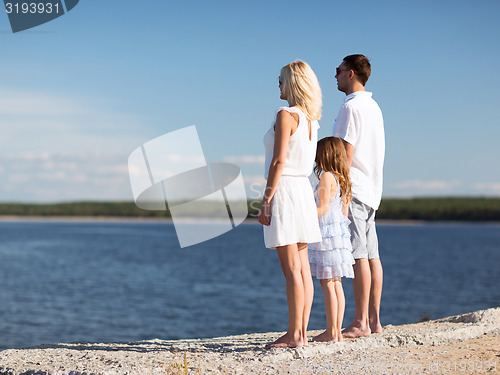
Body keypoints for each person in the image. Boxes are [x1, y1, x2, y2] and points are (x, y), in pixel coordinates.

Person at [258, 60, 322, 348]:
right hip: (303, 191)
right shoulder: (312, 121)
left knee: (291, 270)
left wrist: (267, 198)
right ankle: (302, 332)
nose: (279, 86)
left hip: (285, 191)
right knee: (302, 268)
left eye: (281, 80)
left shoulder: (286, 115)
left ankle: (295, 335)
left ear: (293, 83)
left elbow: (278, 160)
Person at [332, 54, 385, 338]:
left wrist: (339, 191)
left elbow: (345, 153)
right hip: (372, 189)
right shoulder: (374, 107)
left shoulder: (351, 108)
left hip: (354, 188)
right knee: (372, 255)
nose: (335, 75)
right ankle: (374, 322)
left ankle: (360, 322)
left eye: (338, 70)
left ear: (350, 74)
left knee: (358, 255)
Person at [309, 136, 355, 342]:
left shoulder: (327, 176)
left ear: (324, 155)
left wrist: (302, 214)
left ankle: (331, 331)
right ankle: (336, 331)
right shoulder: (343, 179)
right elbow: (343, 213)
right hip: (340, 237)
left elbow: (323, 208)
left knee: (328, 283)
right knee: (336, 284)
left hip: (326, 235)